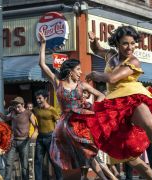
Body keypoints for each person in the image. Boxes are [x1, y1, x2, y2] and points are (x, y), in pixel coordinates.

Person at [84, 26, 152, 179]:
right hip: (113, 104)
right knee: (126, 152)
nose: (130, 47)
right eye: (125, 43)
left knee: (150, 124)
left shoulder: (134, 61)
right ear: (117, 43)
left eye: (133, 43)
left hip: (132, 97)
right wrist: (94, 40)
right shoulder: (111, 55)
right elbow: (97, 50)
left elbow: (112, 78)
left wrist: (95, 74)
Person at [38, 32, 115, 180]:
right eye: (78, 69)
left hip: (81, 124)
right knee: (74, 158)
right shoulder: (57, 83)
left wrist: (92, 109)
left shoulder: (82, 85)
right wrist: (43, 44)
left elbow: (100, 95)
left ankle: (106, 178)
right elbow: (42, 64)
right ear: (70, 71)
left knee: (88, 153)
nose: (80, 72)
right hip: (65, 126)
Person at [0, 96, 38, 180]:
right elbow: (5, 118)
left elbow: (36, 126)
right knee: (9, 163)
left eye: (18, 106)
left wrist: (35, 133)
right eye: (15, 106)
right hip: (13, 142)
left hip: (24, 141)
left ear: (23, 105)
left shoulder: (28, 113)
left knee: (24, 166)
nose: (17, 108)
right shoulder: (13, 112)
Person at [33, 89, 63, 180]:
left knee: (54, 161)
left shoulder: (52, 110)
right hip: (40, 138)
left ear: (45, 98)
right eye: (37, 98)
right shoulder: (35, 110)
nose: (38, 100)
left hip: (50, 138)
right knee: (38, 161)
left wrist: (58, 138)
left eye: (40, 98)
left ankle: (60, 178)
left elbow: (58, 124)